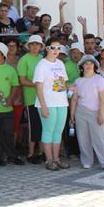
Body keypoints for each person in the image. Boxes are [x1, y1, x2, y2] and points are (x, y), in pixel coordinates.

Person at [33, 37, 70, 171]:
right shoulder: (41, 64)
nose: (56, 50)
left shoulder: (60, 63)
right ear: (47, 48)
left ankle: (56, 159)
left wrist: (70, 89)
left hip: (61, 102)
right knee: (48, 131)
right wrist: (43, 105)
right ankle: (49, 160)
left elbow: (62, 83)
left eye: (58, 48)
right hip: (47, 102)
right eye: (53, 47)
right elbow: (39, 86)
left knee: (58, 132)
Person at [70, 55, 104, 170]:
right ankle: (87, 160)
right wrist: (72, 114)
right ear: (82, 66)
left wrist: (101, 113)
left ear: (94, 66)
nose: (88, 66)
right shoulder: (78, 81)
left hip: (96, 111)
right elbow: (74, 99)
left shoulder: (99, 79)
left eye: (91, 63)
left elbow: (102, 99)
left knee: (99, 138)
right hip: (81, 112)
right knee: (83, 138)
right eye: (86, 63)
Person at [17, 34, 44, 163]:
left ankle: (42, 152)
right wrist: (38, 84)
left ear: (40, 46)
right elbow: (22, 80)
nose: (35, 47)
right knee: (33, 127)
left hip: (44, 99)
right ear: (29, 46)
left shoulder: (43, 59)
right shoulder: (24, 60)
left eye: (37, 44)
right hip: (31, 99)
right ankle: (31, 153)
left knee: (43, 126)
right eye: (32, 44)